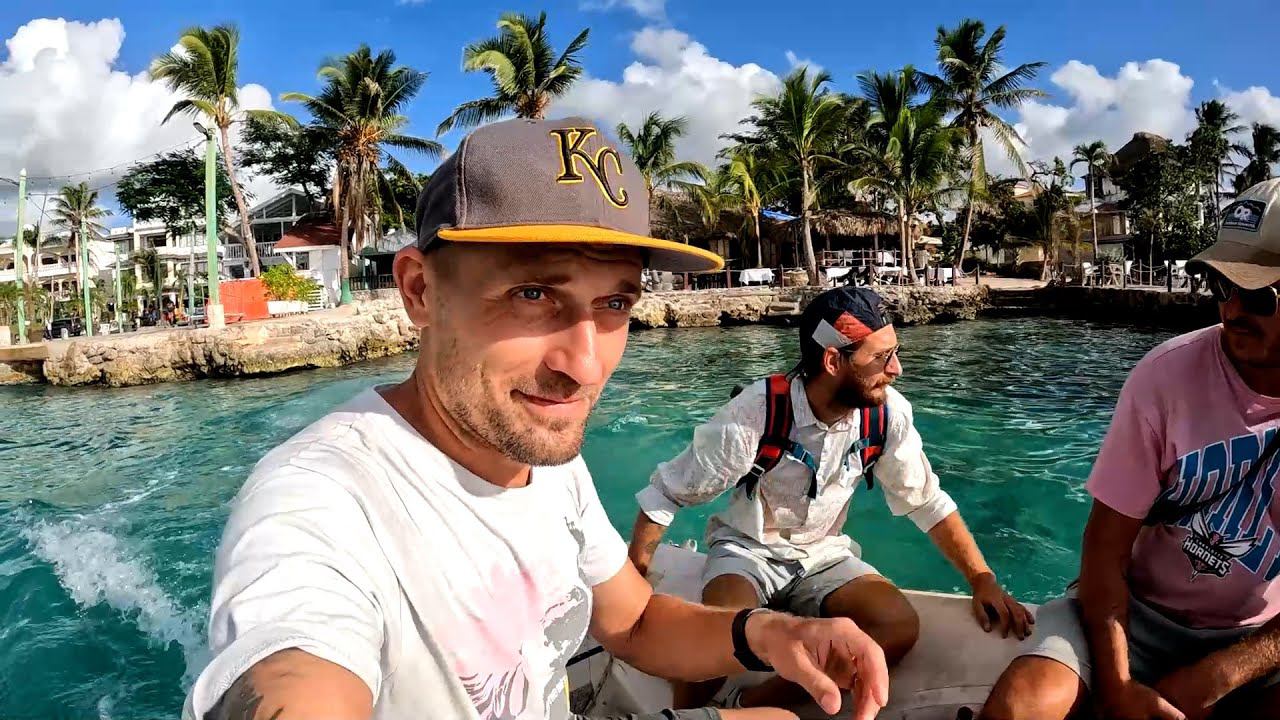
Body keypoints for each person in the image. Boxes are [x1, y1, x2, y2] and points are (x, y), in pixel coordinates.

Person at [184, 117, 890, 720]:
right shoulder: (319, 499)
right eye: (532, 294)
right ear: (419, 290)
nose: (584, 366)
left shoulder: (542, 456)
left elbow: (634, 620)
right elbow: (292, 668)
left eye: (615, 304)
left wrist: (767, 634)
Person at [629, 285, 1033, 711]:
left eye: (895, 353)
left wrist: (981, 579)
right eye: (881, 357)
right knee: (715, 641)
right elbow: (667, 491)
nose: (896, 369)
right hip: (747, 550)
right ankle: (683, 715)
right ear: (833, 361)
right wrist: (637, 578)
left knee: (897, 627)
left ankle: (749, 708)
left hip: (824, 554)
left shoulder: (887, 414)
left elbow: (926, 500)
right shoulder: (755, 413)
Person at [980, 178, 1280, 720]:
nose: (1233, 308)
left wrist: (1217, 675)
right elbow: (1104, 548)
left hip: (1254, 638)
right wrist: (1118, 686)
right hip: (1132, 616)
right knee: (1021, 708)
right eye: (1221, 285)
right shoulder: (1166, 377)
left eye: (1257, 294)